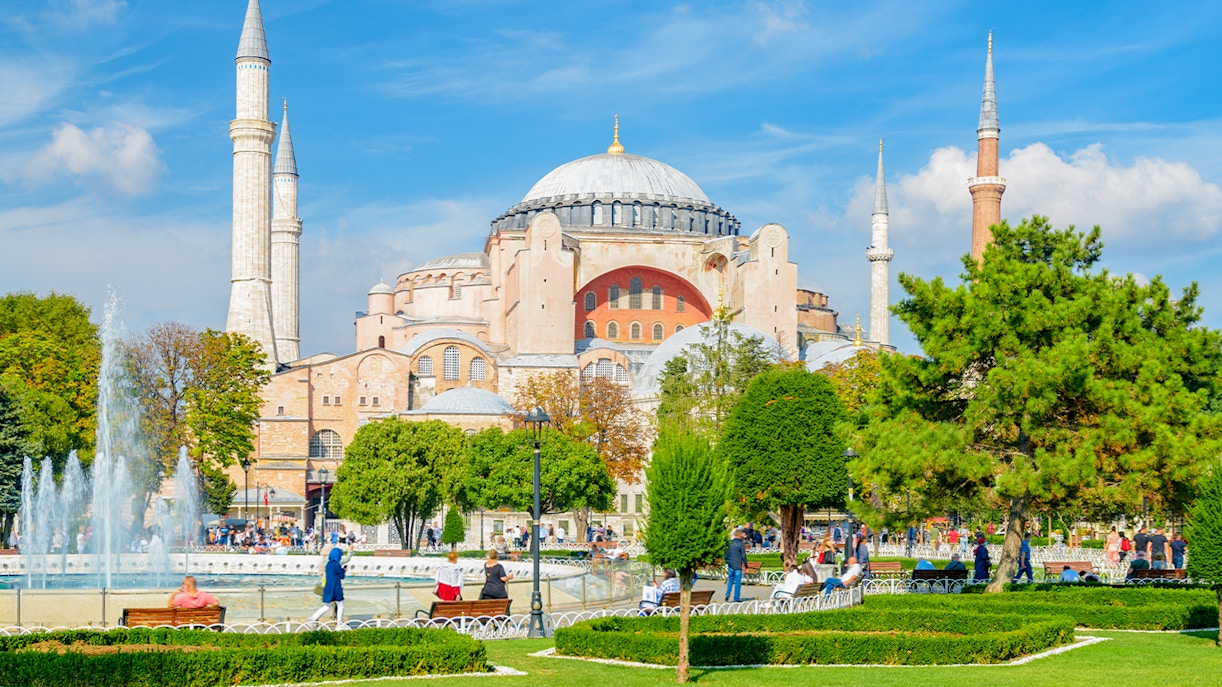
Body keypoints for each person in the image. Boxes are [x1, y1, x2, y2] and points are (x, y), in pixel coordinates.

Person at [309, 547, 347, 627]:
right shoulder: (337, 564)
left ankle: (313, 618)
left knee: (327, 605)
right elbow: (341, 576)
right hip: (336, 587)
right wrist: (344, 570)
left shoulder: (328, 564)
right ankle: (339, 624)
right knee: (340, 605)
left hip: (328, 587)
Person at [724, 529, 747, 602]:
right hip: (738, 566)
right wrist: (746, 565)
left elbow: (725, 554)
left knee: (730, 580)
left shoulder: (729, 543)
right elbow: (743, 555)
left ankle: (727, 594)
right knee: (737, 583)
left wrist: (727, 562)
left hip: (730, 565)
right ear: (739, 535)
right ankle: (736, 598)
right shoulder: (740, 544)